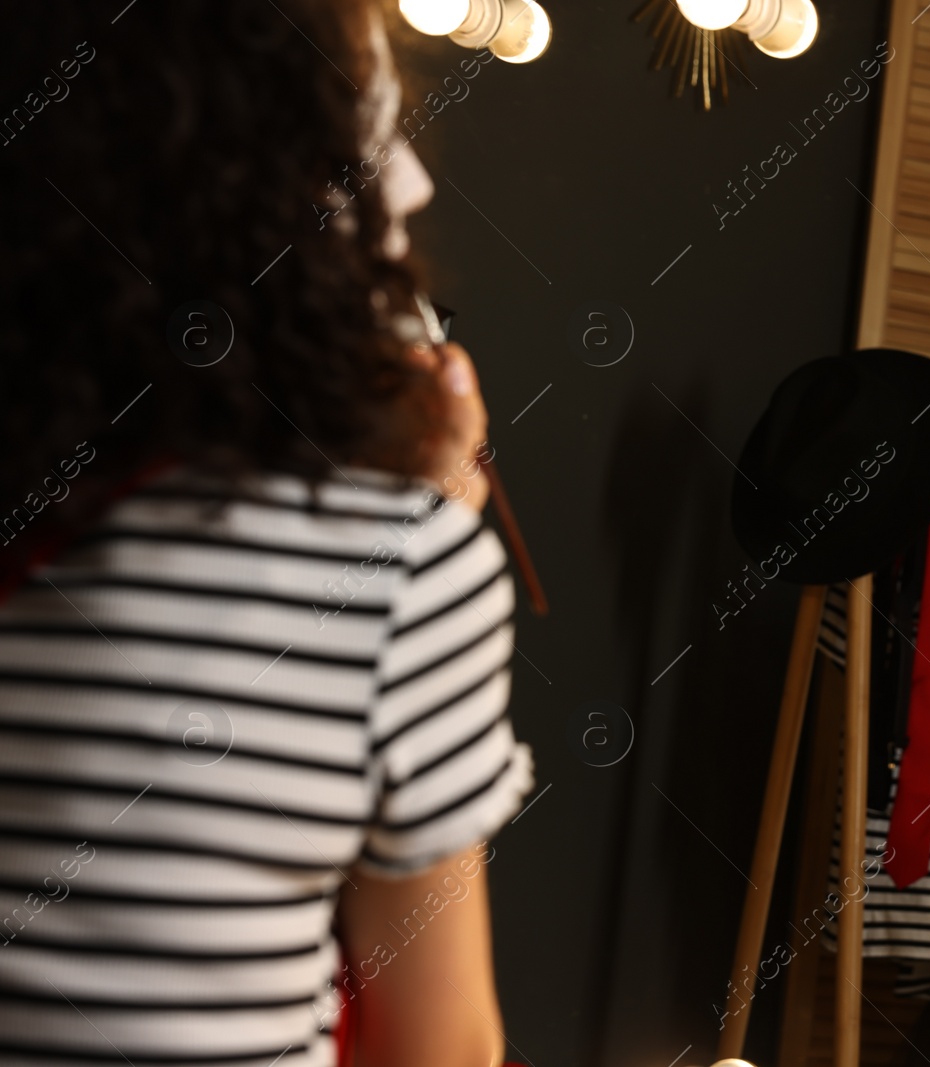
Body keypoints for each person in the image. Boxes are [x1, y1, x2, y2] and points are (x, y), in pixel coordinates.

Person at [0, 2, 529, 1064]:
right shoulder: (395, 573)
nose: (411, 181)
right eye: (369, 121)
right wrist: (420, 534)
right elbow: (437, 1046)